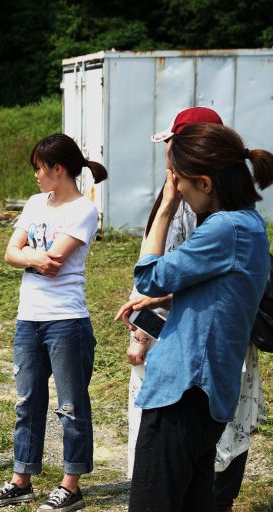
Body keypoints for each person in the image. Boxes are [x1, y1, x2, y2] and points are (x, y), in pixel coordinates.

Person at [115, 107, 266, 511]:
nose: (176, 189)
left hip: (182, 389)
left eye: (179, 181)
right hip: (208, 392)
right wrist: (166, 300)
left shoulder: (223, 227)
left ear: (204, 181)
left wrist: (163, 210)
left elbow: (148, 275)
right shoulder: (249, 225)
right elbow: (221, 292)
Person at [0, 134, 108, 511]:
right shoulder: (36, 203)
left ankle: (71, 485)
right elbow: (10, 253)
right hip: (28, 318)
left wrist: (29, 257)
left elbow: (55, 262)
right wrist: (32, 259)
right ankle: (22, 479)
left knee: (71, 405)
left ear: (58, 169)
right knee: (27, 400)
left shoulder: (83, 210)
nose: (35, 175)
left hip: (66, 321)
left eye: (39, 168)